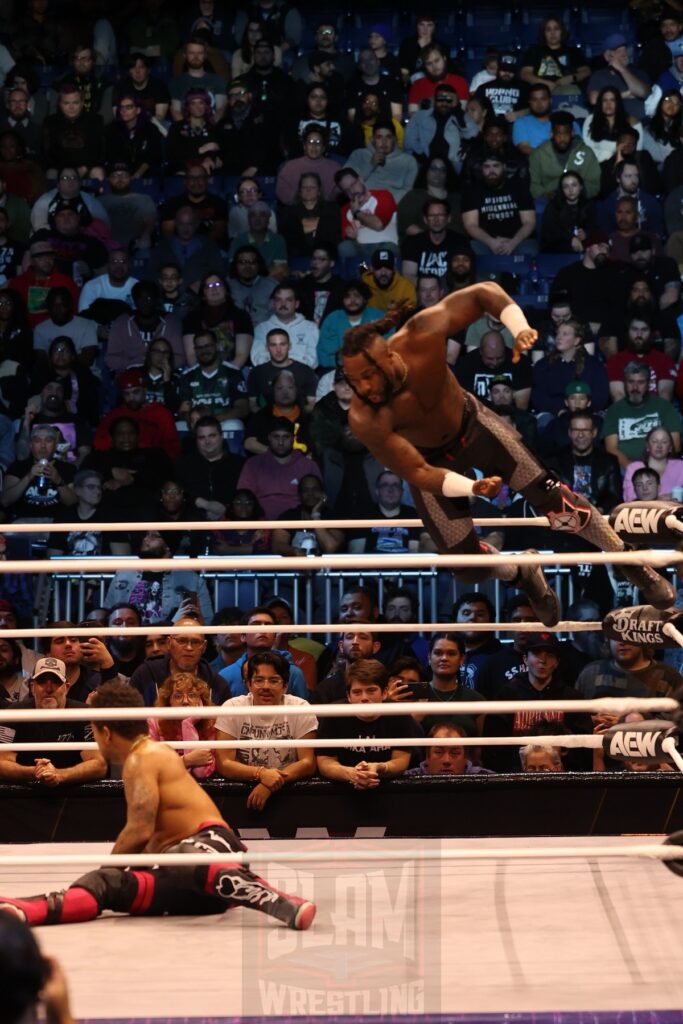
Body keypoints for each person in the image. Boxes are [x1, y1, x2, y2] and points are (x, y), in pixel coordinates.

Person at [340, 286, 674, 621]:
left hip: (475, 427)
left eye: (367, 376)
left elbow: (484, 293)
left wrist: (519, 328)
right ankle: (521, 573)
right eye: (355, 382)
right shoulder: (365, 416)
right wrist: (470, 488)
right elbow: (417, 471)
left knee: (559, 505)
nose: (364, 389)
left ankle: (630, 562)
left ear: (386, 356)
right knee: (465, 565)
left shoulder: (420, 335)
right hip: (432, 462)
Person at [0, 680, 316, 930]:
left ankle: (267, 896)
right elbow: (150, 842)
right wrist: (108, 879)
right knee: (107, 882)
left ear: (106, 732)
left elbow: (139, 829)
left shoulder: (146, 756)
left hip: (213, 848)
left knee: (172, 859)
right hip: (195, 888)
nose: (95, 741)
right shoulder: (141, 760)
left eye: (95, 733)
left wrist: (112, 867)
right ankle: (24, 910)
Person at [214, 651, 317, 809]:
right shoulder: (232, 707)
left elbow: (308, 762)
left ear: (285, 686)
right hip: (241, 796)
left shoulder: (300, 707)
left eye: (274, 680)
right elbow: (224, 763)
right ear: (248, 684)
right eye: (259, 680)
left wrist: (270, 784)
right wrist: (261, 773)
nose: (266, 687)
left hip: (291, 797)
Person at [0, 656, 108, 785]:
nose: (49, 688)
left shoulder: (84, 714)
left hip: (73, 796)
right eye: (42, 681)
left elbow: (99, 765)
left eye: (56, 681)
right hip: (24, 797)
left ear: (67, 687)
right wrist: (35, 772)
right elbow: (1, 762)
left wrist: (59, 774)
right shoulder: (14, 714)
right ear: (32, 687)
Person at [316, 658, 413, 787]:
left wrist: (380, 767)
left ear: (384, 693)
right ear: (349, 696)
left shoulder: (399, 713)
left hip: (388, 790)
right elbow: (325, 761)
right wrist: (351, 774)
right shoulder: (334, 713)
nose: (364, 698)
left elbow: (401, 759)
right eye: (357, 692)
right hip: (342, 792)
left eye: (371, 690)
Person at [602, 362, 681, 470]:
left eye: (641, 382)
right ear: (624, 383)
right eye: (631, 382)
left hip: (661, 464)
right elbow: (611, 448)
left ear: (649, 383)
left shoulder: (664, 407)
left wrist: (657, 468)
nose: (635, 387)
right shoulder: (614, 411)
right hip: (625, 467)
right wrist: (633, 469)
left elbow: (674, 444)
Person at [148, 672, 217, 779]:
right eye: (178, 696)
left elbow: (201, 772)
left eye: (192, 695)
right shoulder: (154, 723)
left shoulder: (211, 723)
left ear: (201, 701)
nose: (185, 701)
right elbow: (153, 768)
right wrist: (186, 760)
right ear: (168, 702)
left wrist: (188, 724)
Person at [406, 722, 495, 776]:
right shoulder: (407, 779)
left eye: (455, 753)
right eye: (439, 752)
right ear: (427, 756)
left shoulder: (488, 779)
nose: (446, 760)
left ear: (465, 757)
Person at [622, 427, 683, 501]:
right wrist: (661, 500)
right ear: (647, 446)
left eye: (664, 442)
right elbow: (630, 498)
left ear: (670, 447)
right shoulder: (634, 467)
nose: (659, 446)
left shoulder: (680, 466)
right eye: (654, 441)